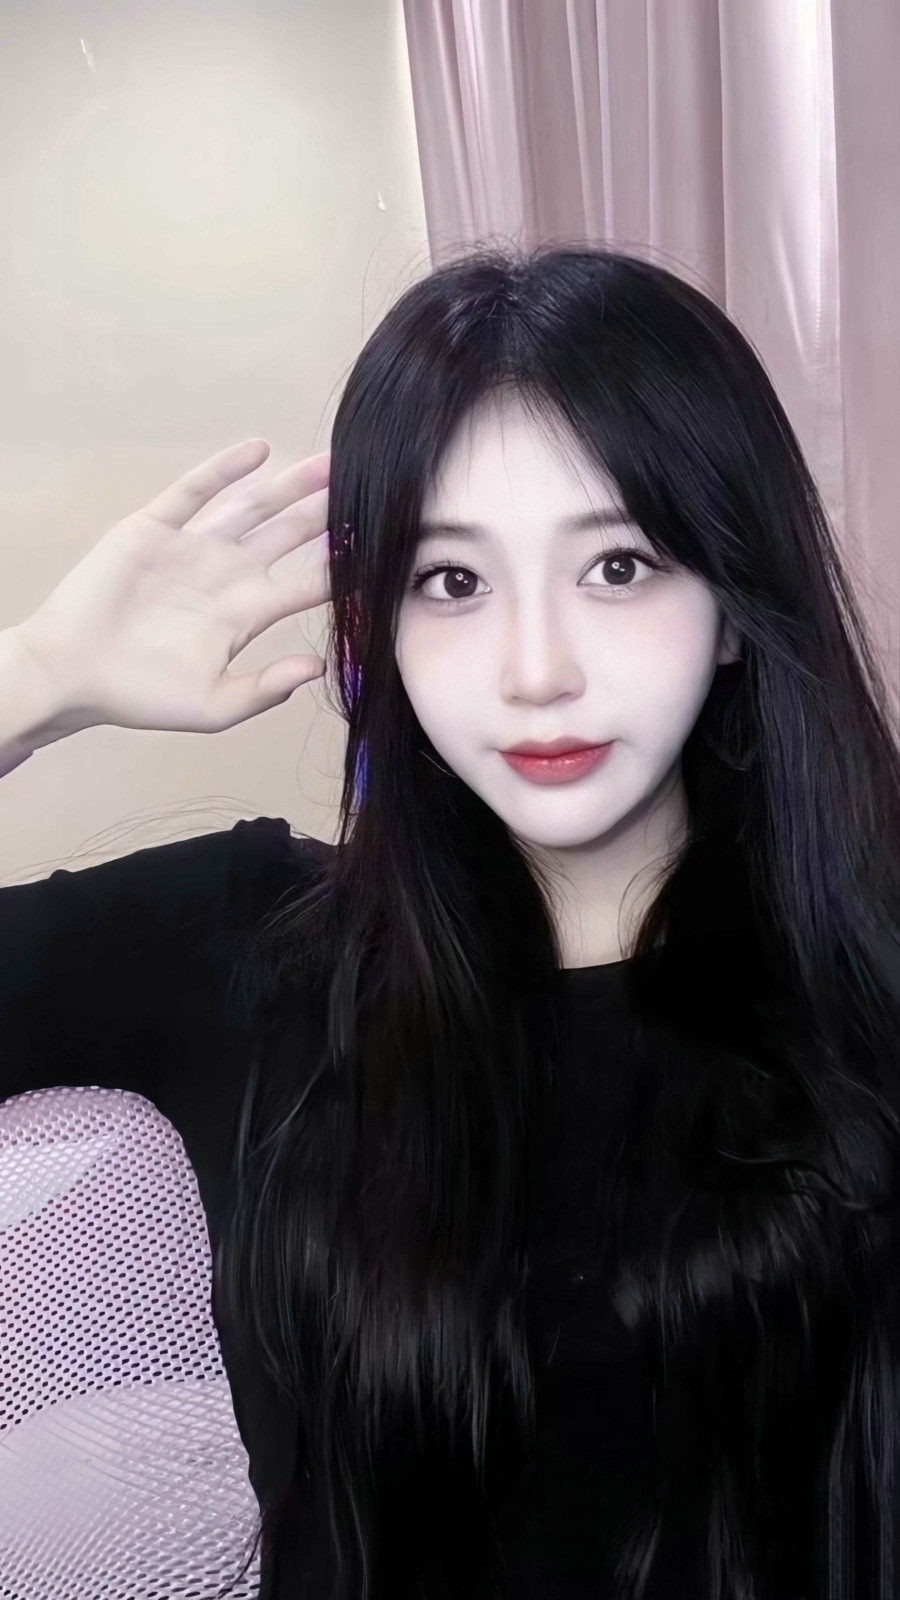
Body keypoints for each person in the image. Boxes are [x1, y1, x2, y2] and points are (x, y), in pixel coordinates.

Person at [1, 245, 898, 1600]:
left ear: (731, 604)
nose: (537, 671)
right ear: (380, 625)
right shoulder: (249, 947)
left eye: (618, 566)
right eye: (454, 583)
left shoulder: (866, 973)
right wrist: (35, 678)